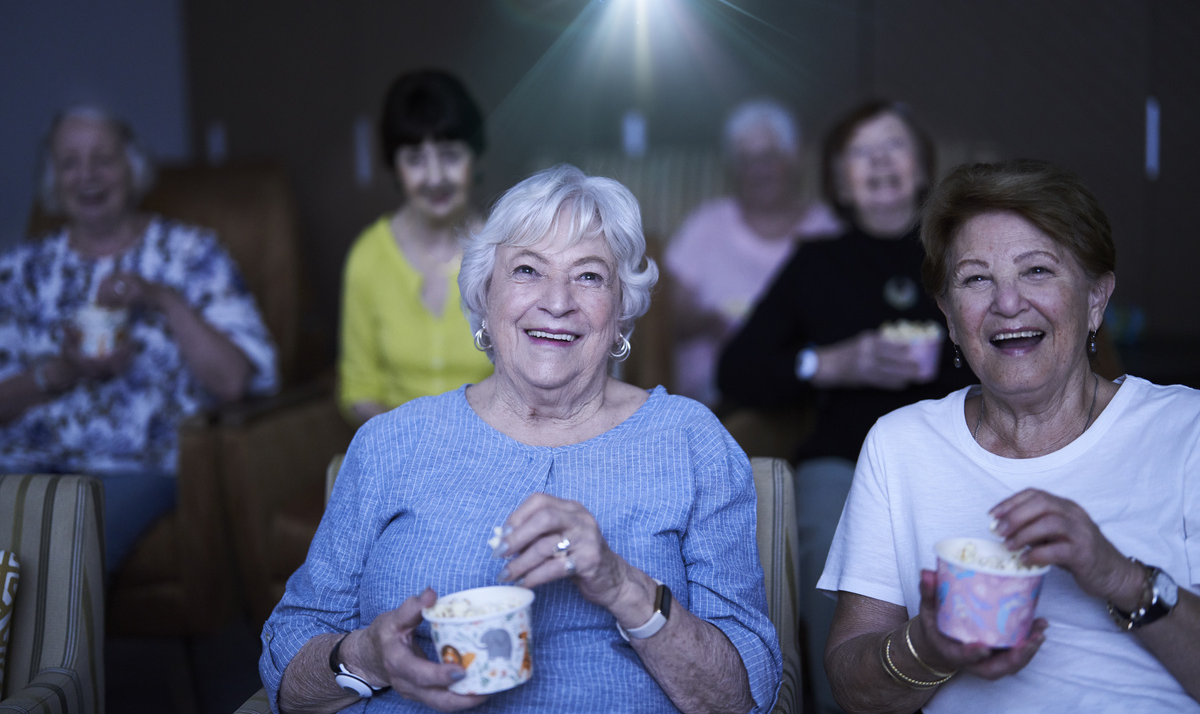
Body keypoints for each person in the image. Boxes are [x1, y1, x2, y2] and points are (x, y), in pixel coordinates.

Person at [261, 165, 782, 713]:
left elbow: (746, 694)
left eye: (589, 276)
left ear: (622, 313)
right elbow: (286, 668)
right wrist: (365, 658)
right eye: (528, 270)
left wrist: (622, 586)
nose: (557, 302)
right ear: (485, 294)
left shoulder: (691, 441)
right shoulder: (391, 444)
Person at [819, 159, 1200, 713]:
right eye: (976, 279)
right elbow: (850, 691)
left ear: (1096, 298)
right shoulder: (902, 445)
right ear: (949, 317)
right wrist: (929, 646)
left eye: (1037, 271)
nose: (1007, 303)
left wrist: (1120, 576)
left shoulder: (1185, 429)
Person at [717, 99, 963, 714]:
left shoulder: (960, 250)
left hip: (959, 451)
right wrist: (830, 363)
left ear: (921, 165)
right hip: (842, 459)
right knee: (830, 542)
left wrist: (953, 357)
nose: (879, 161)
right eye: (861, 152)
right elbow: (737, 369)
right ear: (839, 178)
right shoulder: (815, 262)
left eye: (894, 146)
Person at [0, 106, 278, 573]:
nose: (87, 176)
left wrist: (162, 299)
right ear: (53, 178)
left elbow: (233, 381)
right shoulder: (20, 270)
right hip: (25, 457)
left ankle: (57, 649)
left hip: (137, 463)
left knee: (67, 551)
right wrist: (63, 371)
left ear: (133, 166)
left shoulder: (190, 253)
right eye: (70, 163)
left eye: (103, 159)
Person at [338, 69, 494, 426]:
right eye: (415, 159)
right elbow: (358, 389)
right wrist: (413, 446)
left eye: (451, 155)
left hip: (494, 455)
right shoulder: (368, 256)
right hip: (397, 455)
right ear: (394, 167)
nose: (436, 177)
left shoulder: (507, 253)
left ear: (476, 156)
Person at [664, 98, 841, 408]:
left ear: (793, 158)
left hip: (799, 395)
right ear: (733, 168)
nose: (759, 170)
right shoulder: (707, 224)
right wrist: (708, 322)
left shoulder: (826, 231)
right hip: (706, 402)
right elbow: (663, 310)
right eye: (746, 160)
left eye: (769, 156)